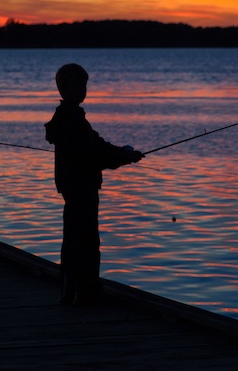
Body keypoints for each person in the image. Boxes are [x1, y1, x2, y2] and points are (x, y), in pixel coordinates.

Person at [44, 63, 143, 306]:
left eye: (84, 85)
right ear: (65, 88)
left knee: (74, 239)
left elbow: (96, 143)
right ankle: (85, 292)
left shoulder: (70, 117)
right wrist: (121, 158)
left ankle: (71, 290)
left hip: (72, 185)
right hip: (81, 185)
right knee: (86, 241)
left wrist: (121, 153)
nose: (83, 90)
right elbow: (91, 154)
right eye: (79, 86)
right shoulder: (72, 120)